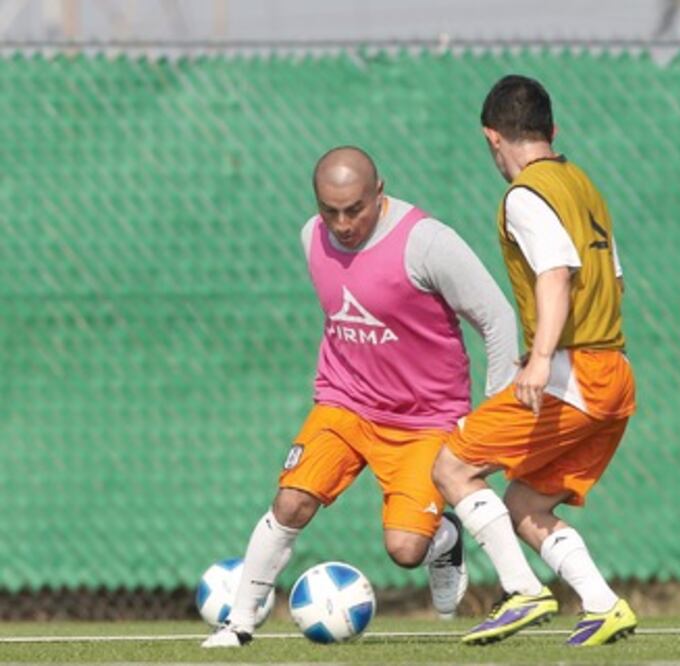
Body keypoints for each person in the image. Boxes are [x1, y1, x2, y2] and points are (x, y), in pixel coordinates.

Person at [202, 146, 519, 647]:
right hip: (344, 403)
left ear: (379, 192)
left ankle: (444, 538)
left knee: (405, 549)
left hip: (425, 419)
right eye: (330, 211)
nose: (343, 224)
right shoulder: (311, 238)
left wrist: (495, 416)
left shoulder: (427, 242)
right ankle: (238, 624)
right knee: (290, 502)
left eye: (355, 209)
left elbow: (497, 319)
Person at [431, 75, 638, 648]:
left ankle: (523, 591)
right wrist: (555, 344)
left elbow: (556, 273)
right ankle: (603, 604)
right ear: (553, 130)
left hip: (576, 374)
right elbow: (614, 280)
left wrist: (544, 357)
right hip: (614, 372)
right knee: (524, 503)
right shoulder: (583, 184)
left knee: (451, 467)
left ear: (492, 137)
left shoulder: (525, 194)